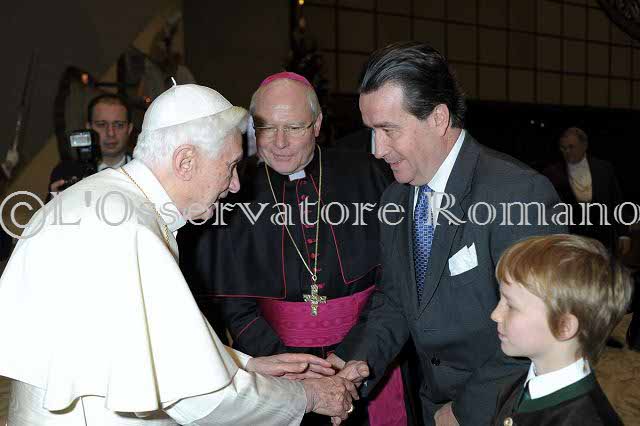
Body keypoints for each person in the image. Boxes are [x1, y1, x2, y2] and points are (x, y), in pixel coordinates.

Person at [0, 83, 362, 425]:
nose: (236, 185)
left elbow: (147, 349)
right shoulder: (132, 231)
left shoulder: (94, 200)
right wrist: (307, 396)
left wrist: (243, 365)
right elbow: (199, 397)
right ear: (186, 161)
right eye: (231, 165)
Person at [329, 42, 566, 426]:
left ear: (438, 118)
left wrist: (464, 411)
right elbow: (395, 300)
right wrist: (356, 362)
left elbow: (541, 327)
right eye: (372, 131)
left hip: (504, 409)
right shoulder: (395, 198)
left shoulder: (519, 194)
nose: (377, 149)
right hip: (433, 406)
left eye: (388, 130)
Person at [180, 71, 406, 425]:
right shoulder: (230, 192)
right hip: (278, 375)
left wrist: (355, 357)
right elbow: (232, 306)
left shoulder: (370, 174)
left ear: (317, 125)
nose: (280, 142)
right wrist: (294, 372)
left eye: (294, 127)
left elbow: (395, 284)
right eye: (267, 128)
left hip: (366, 359)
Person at [490, 234, 632, 425]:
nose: (495, 315)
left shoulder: (585, 420)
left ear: (564, 326)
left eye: (511, 305)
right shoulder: (517, 386)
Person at [543, 127, 630, 255]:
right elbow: (548, 208)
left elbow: (616, 201)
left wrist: (623, 234)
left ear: (584, 146)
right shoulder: (552, 172)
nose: (567, 151)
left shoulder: (604, 168)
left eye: (571, 147)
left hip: (604, 238)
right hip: (570, 239)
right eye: (563, 148)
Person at [49, 93, 134, 193]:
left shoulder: (146, 172)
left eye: (119, 125)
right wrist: (56, 201)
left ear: (129, 129)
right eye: (101, 125)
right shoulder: (66, 172)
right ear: (89, 128)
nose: (111, 133)